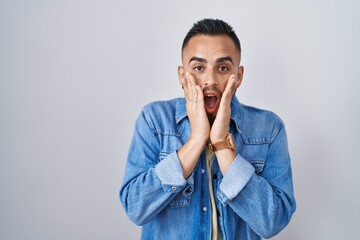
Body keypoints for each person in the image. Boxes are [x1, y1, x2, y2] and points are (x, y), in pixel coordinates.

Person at [119, 18, 296, 240]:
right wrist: (197, 139)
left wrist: (222, 144)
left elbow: (273, 221)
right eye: (199, 68)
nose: (210, 80)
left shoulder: (269, 128)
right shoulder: (154, 120)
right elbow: (135, 208)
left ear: (238, 75)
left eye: (222, 68)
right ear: (182, 75)